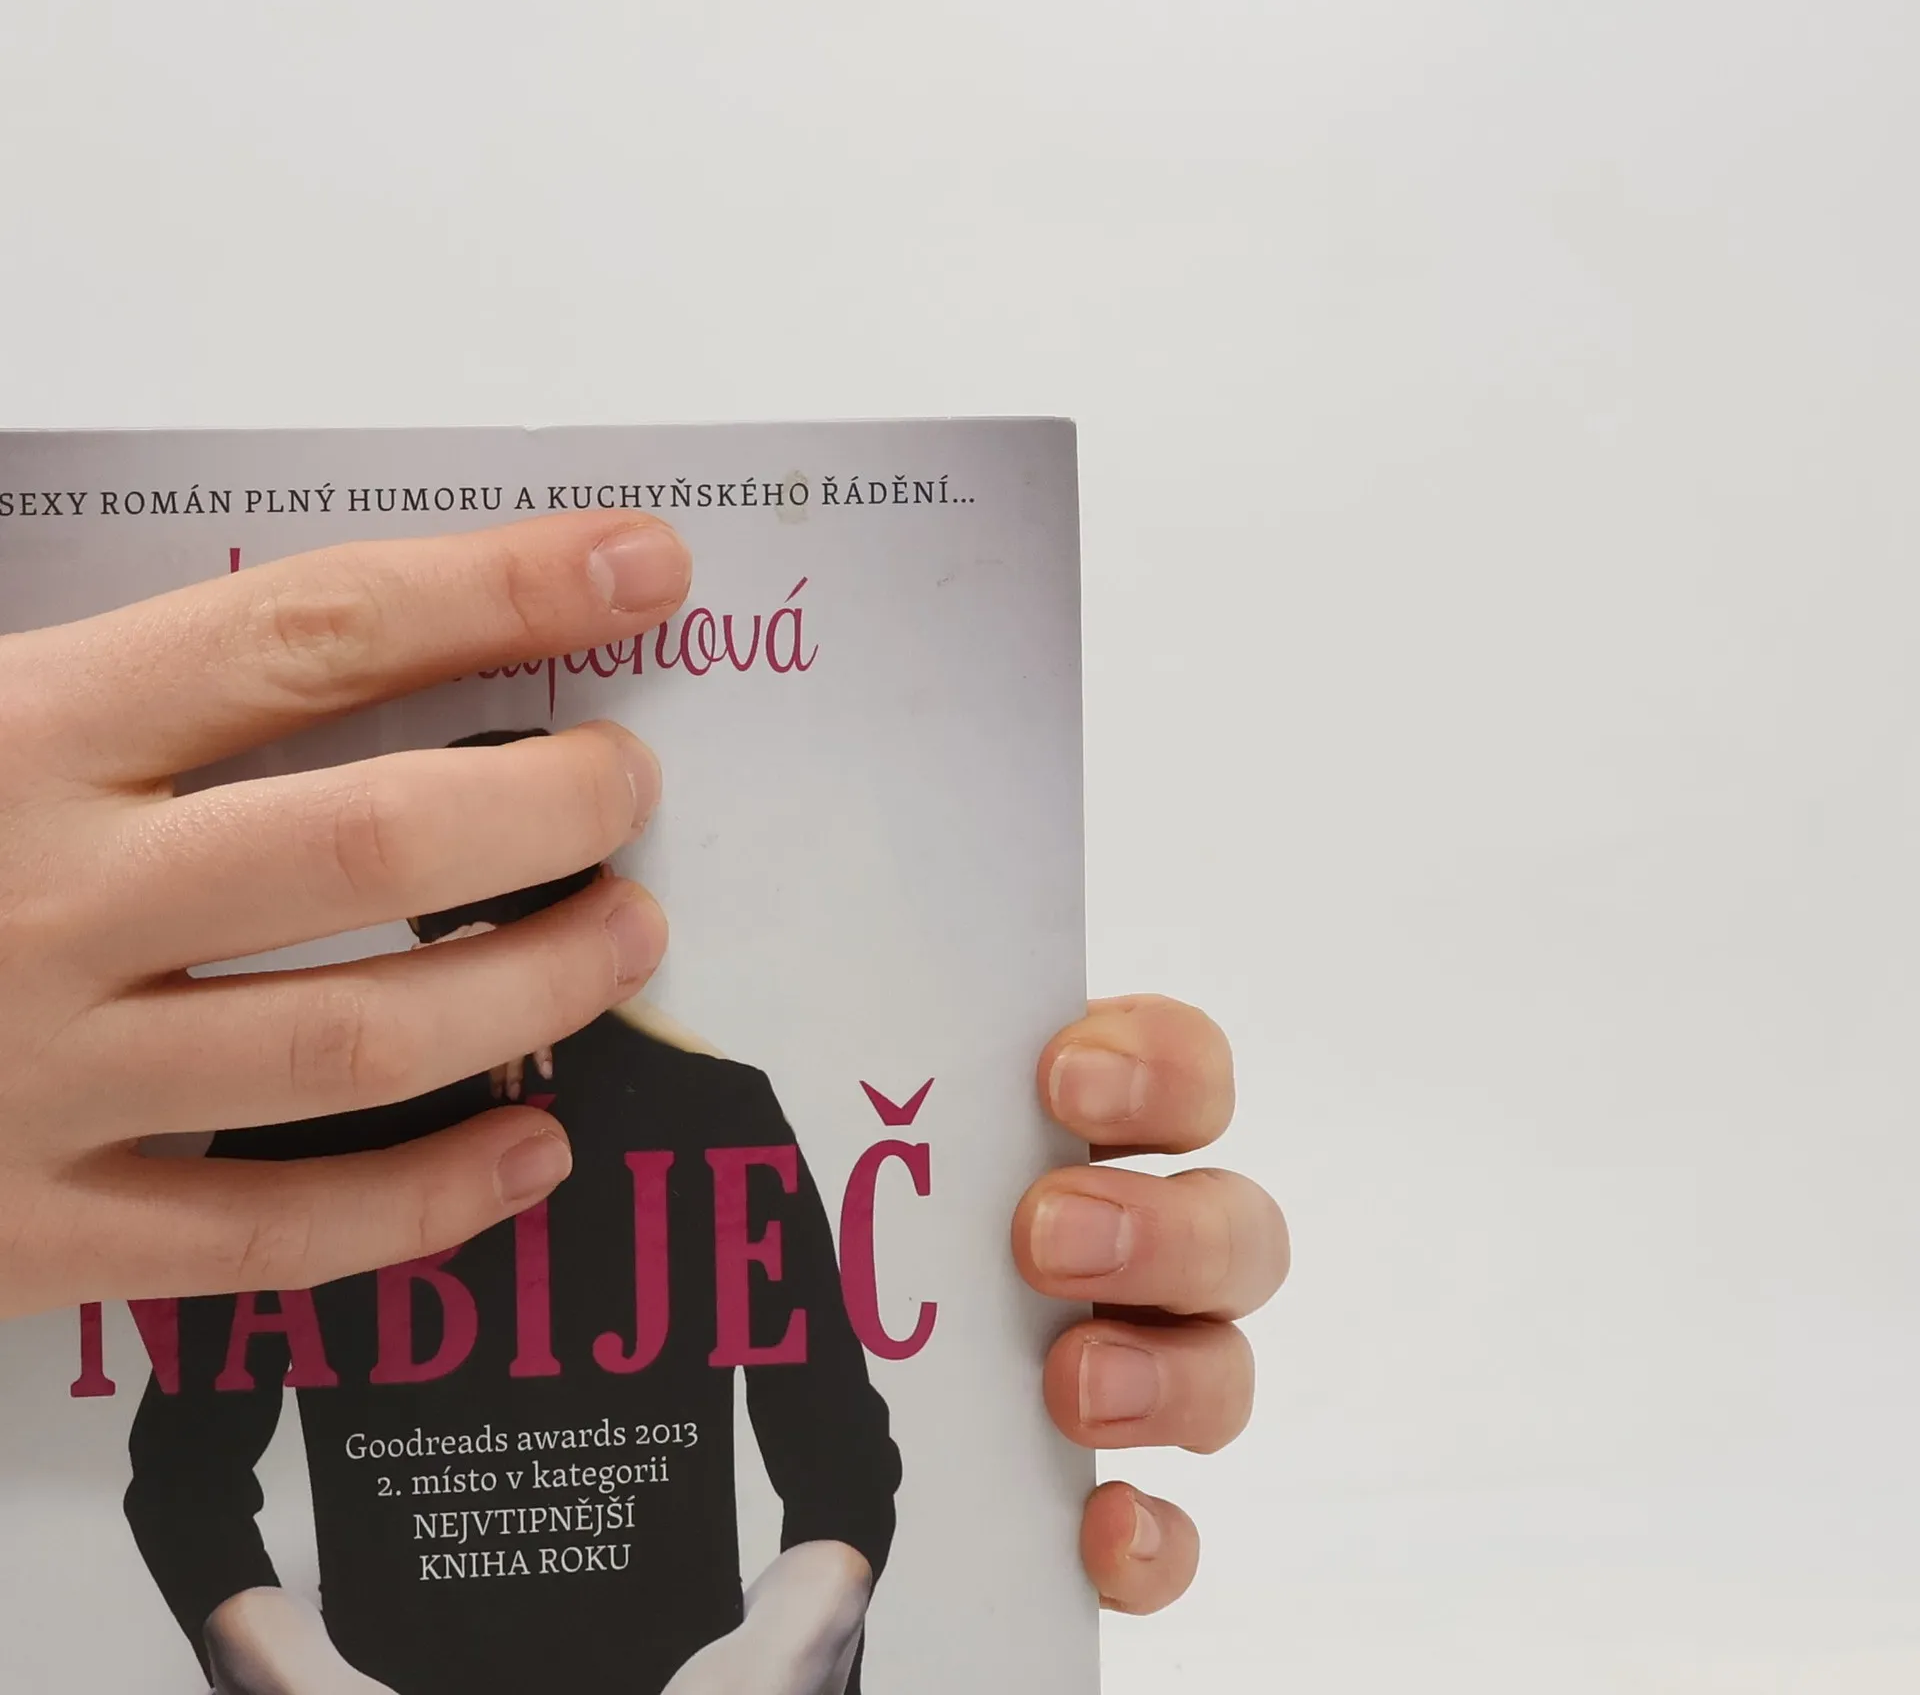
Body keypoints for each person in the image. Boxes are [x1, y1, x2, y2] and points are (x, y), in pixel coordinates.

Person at [0, 511, 1289, 1677]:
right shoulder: (314, 1111)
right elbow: (184, 1483)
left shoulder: (705, 1110)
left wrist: (779, 1643)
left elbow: (840, 1465)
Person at [124, 745, 903, 1695]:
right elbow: (844, 1473)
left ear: (412, 910)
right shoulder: (715, 1107)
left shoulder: (298, 1128)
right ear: (603, 886)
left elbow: (183, 1483)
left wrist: (773, 1651)